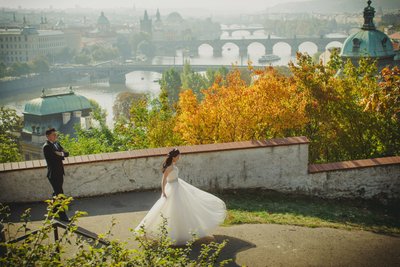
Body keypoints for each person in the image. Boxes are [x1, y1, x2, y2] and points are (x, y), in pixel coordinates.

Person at [135, 148, 226, 245]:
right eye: (178, 156)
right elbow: (163, 179)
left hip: (178, 186)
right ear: (174, 157)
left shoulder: (173, 165)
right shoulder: (169, 167)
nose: (179, 157)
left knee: (182, 210)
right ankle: (152, 230)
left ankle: (184, 233)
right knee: (169, 210)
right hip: (172, 189)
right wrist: (163, 191)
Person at [43, 128, 70, 222]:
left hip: (60, 173)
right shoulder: (47, 146)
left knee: (56, 193)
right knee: (60, 194)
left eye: (56, 134)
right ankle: (62, 215)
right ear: (48, 136)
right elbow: (55, 158)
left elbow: (67, 153)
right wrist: (60, 154)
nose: (56, 136)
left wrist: (60, 153)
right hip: (53, 174)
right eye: (54, 134)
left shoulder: (56, 144)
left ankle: (53, 211)